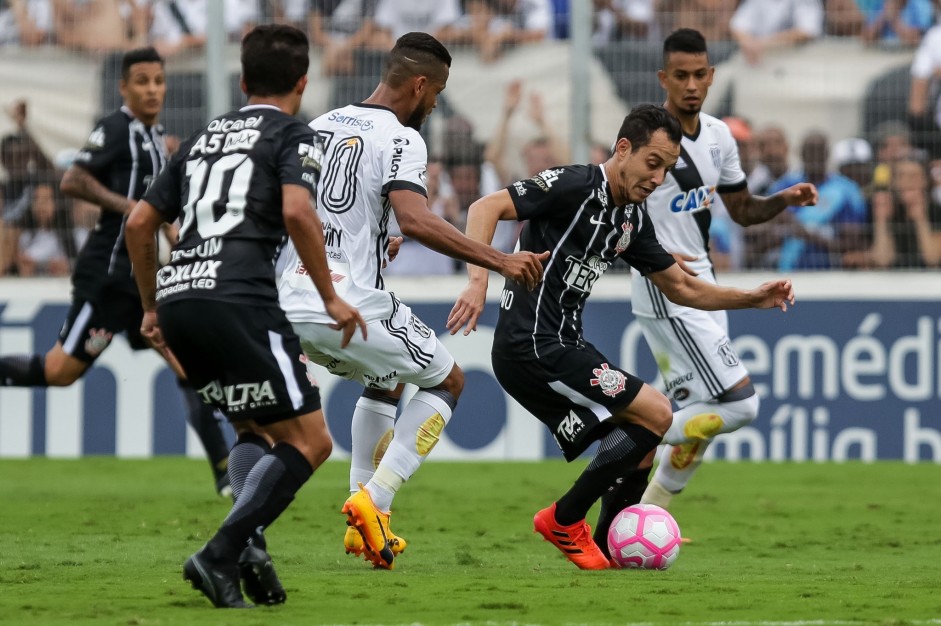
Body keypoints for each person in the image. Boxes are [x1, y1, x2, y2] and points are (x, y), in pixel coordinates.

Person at [447, 103, 798, 570]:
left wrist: (751, 298)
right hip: (531, 344)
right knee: (657, 410)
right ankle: (564, 518)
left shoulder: (630, 219)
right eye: (652, 164)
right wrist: (478, 281)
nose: (657, 178)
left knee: (643, 442)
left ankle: (613, 548)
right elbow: (485, 207)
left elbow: (683, 287)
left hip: (562, 345)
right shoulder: (573, 184)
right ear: (624, 148)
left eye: (667, 169)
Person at [275, 31, 547, 570]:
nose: (437, 103)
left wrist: (378, 237)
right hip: (348, 302)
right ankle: (374, 501)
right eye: (438, 91)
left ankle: (362, 526)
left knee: (387, 377)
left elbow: (314, 210)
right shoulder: (402, 137)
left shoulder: (321, 124)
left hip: (292, 299)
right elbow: (417, 219)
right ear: (420, 84)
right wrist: (501, 261)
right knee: (448, 381)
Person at [125, 24, 367, 608]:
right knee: (310, 442)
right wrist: (331, 297)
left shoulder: (205, 136)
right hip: (240, 299)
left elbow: (139, 223)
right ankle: (220, 552)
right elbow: (297, 211)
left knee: (254, 431)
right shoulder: (292, 133)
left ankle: (249, 550)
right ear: (303, 83)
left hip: (182, 298)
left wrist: (151, 306)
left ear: (241, 80)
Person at [0, 47, 233, 497]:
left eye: (158, 81)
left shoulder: (156, 138)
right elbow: (73, 180)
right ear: (124, 87)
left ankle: (226, 477)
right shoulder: (115, 129)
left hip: (144, 282)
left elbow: (161, 212)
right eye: (142, 81)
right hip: (109, 279)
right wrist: (133, 209)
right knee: (60, 371)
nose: (152, 89)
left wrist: (179, 242)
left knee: (189, 364)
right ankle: (227, 474)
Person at [624, 29, 817, 529]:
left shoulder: (719, 136)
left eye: (699, 75)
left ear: (712, 76)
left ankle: (645, 520)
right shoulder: (646, 138)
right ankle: (624, 426)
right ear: (664, 78)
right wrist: (653, 254)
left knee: (703, 422)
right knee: (740, 404)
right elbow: (619, 204)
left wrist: (783, 200)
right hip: (666, 287)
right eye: (680, 76)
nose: (691, 85)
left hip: (704, 286)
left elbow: (743, 210)